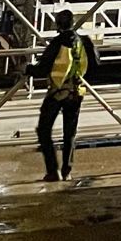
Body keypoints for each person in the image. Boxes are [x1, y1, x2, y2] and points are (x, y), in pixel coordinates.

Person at [34, 10, 98, 182]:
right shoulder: (84, 41)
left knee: (44, 130)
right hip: (76, 92)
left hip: (57, 92)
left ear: (58, 25)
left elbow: (42, 68)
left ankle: (52, 171)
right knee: (69, 133)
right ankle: (67, 171)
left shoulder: (57, 43)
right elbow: (95, 65)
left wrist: (27, 69)